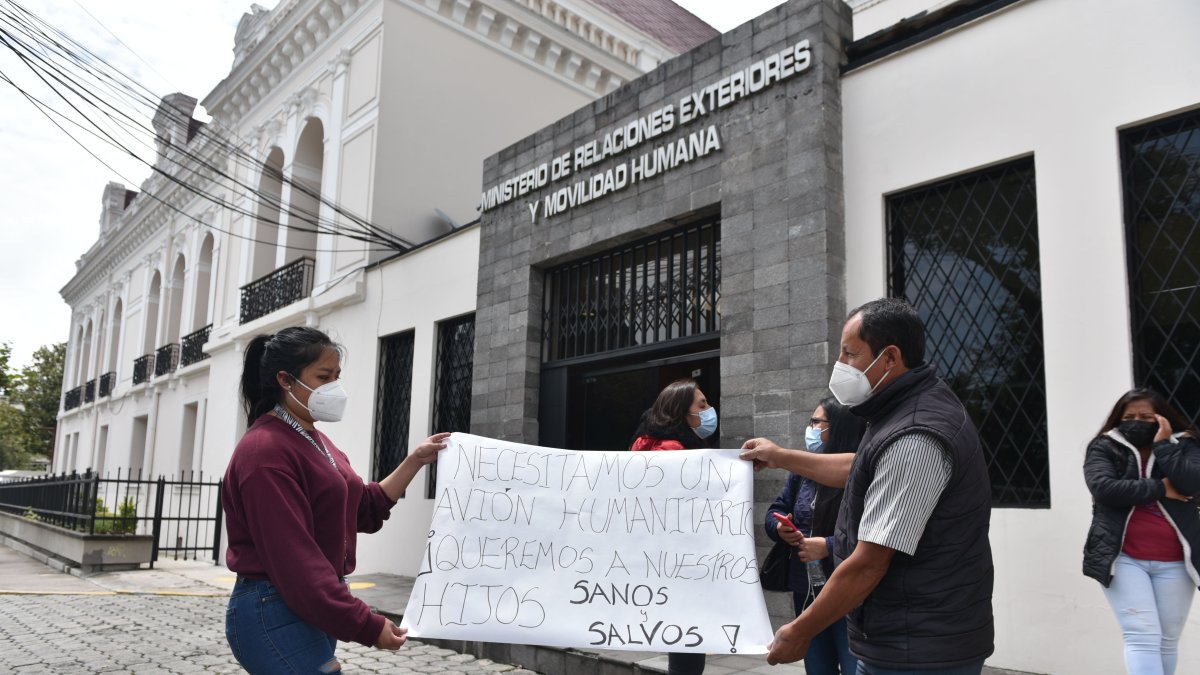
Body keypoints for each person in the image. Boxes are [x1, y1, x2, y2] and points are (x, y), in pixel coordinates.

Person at [741, 297, 994, 674]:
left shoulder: (915, 436)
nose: (840, 366)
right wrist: (781, 456)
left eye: (849, 355)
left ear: (889, 358)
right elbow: (859, 467)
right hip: (906, 637)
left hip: (917, 650)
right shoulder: (902, 411)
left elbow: (868, 565)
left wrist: (801, 630)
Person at [222, 326, 450, 674]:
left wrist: (415, 460)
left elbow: (362, 508)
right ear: (286, 380)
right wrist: (366, 624)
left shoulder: (315, 440)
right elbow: (294, 560)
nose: (334, 387)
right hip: (274, 608)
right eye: (323, 376)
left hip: (308, 606)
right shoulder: (265, 451)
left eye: (337, 376)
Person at [1083, 388, 1200, 675]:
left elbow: (1191, 483)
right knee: (1142, 637)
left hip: (1176, 561)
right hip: (1123, 558)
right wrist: (1161, 488)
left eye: (1146, 416)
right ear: (1118, 419)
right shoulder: (1105, 446)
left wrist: (1163, 445)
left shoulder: (1184, 444)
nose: (1137, 421)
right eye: (1130, 416)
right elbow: (1104, 488)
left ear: (1162, 418)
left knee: (1167, 640)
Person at [765, 396, 863, 675]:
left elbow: (873, 533)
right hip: (806, 590)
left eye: (816, 422)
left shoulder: (859, 472)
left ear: (840, 427)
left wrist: (828, 546)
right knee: (818, 667)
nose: (810, 428)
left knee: (854, 665)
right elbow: (776, 509)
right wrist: (779, 527)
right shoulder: (802, 471)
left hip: (847, 593)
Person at [629, 378, 716, 675]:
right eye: (701, 405)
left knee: (680, 640)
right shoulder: (675, 450)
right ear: (681, 411)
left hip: (659, 560)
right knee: (688, 642)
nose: (708, 410)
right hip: (683, 560)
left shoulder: (645, 444)